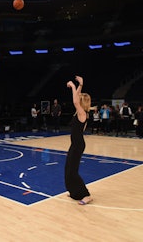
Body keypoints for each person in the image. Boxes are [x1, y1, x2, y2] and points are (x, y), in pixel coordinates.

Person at [65, 75, 93, 205]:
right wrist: (77, 87)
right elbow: (77, 98)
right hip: (75, 144)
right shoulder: (80, 113)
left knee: (73, 171)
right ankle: (74, 192)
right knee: (68, 169)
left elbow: (76, 101)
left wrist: (75, 85)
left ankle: (86, 195)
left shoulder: (82, 113)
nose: (77, 98)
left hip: (78, 145)